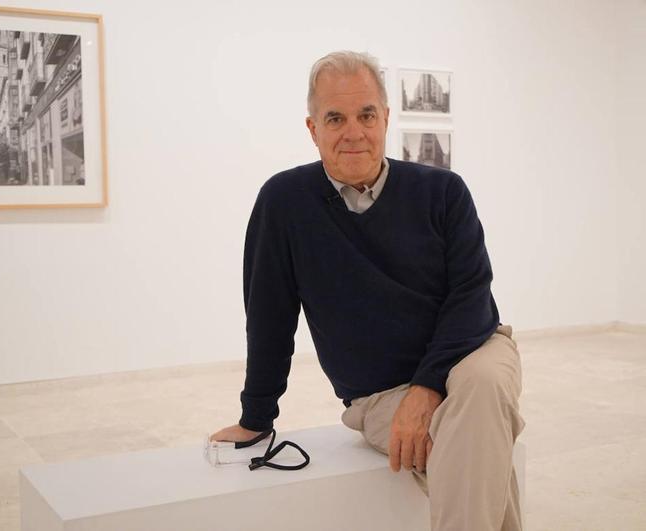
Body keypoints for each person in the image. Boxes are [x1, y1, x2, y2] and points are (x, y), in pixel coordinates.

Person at [210, 51, 525, 531]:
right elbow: (270, 317)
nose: (353, 131)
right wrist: (257, 417)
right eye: (335, 118)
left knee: (481, 391)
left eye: (366, 115)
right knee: (474, 450)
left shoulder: (443, 192)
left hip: (475, 352)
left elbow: (471, 295)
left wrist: (427, 387)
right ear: (313, 128)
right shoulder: (284, 202)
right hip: (381, 397)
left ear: (385, 119)